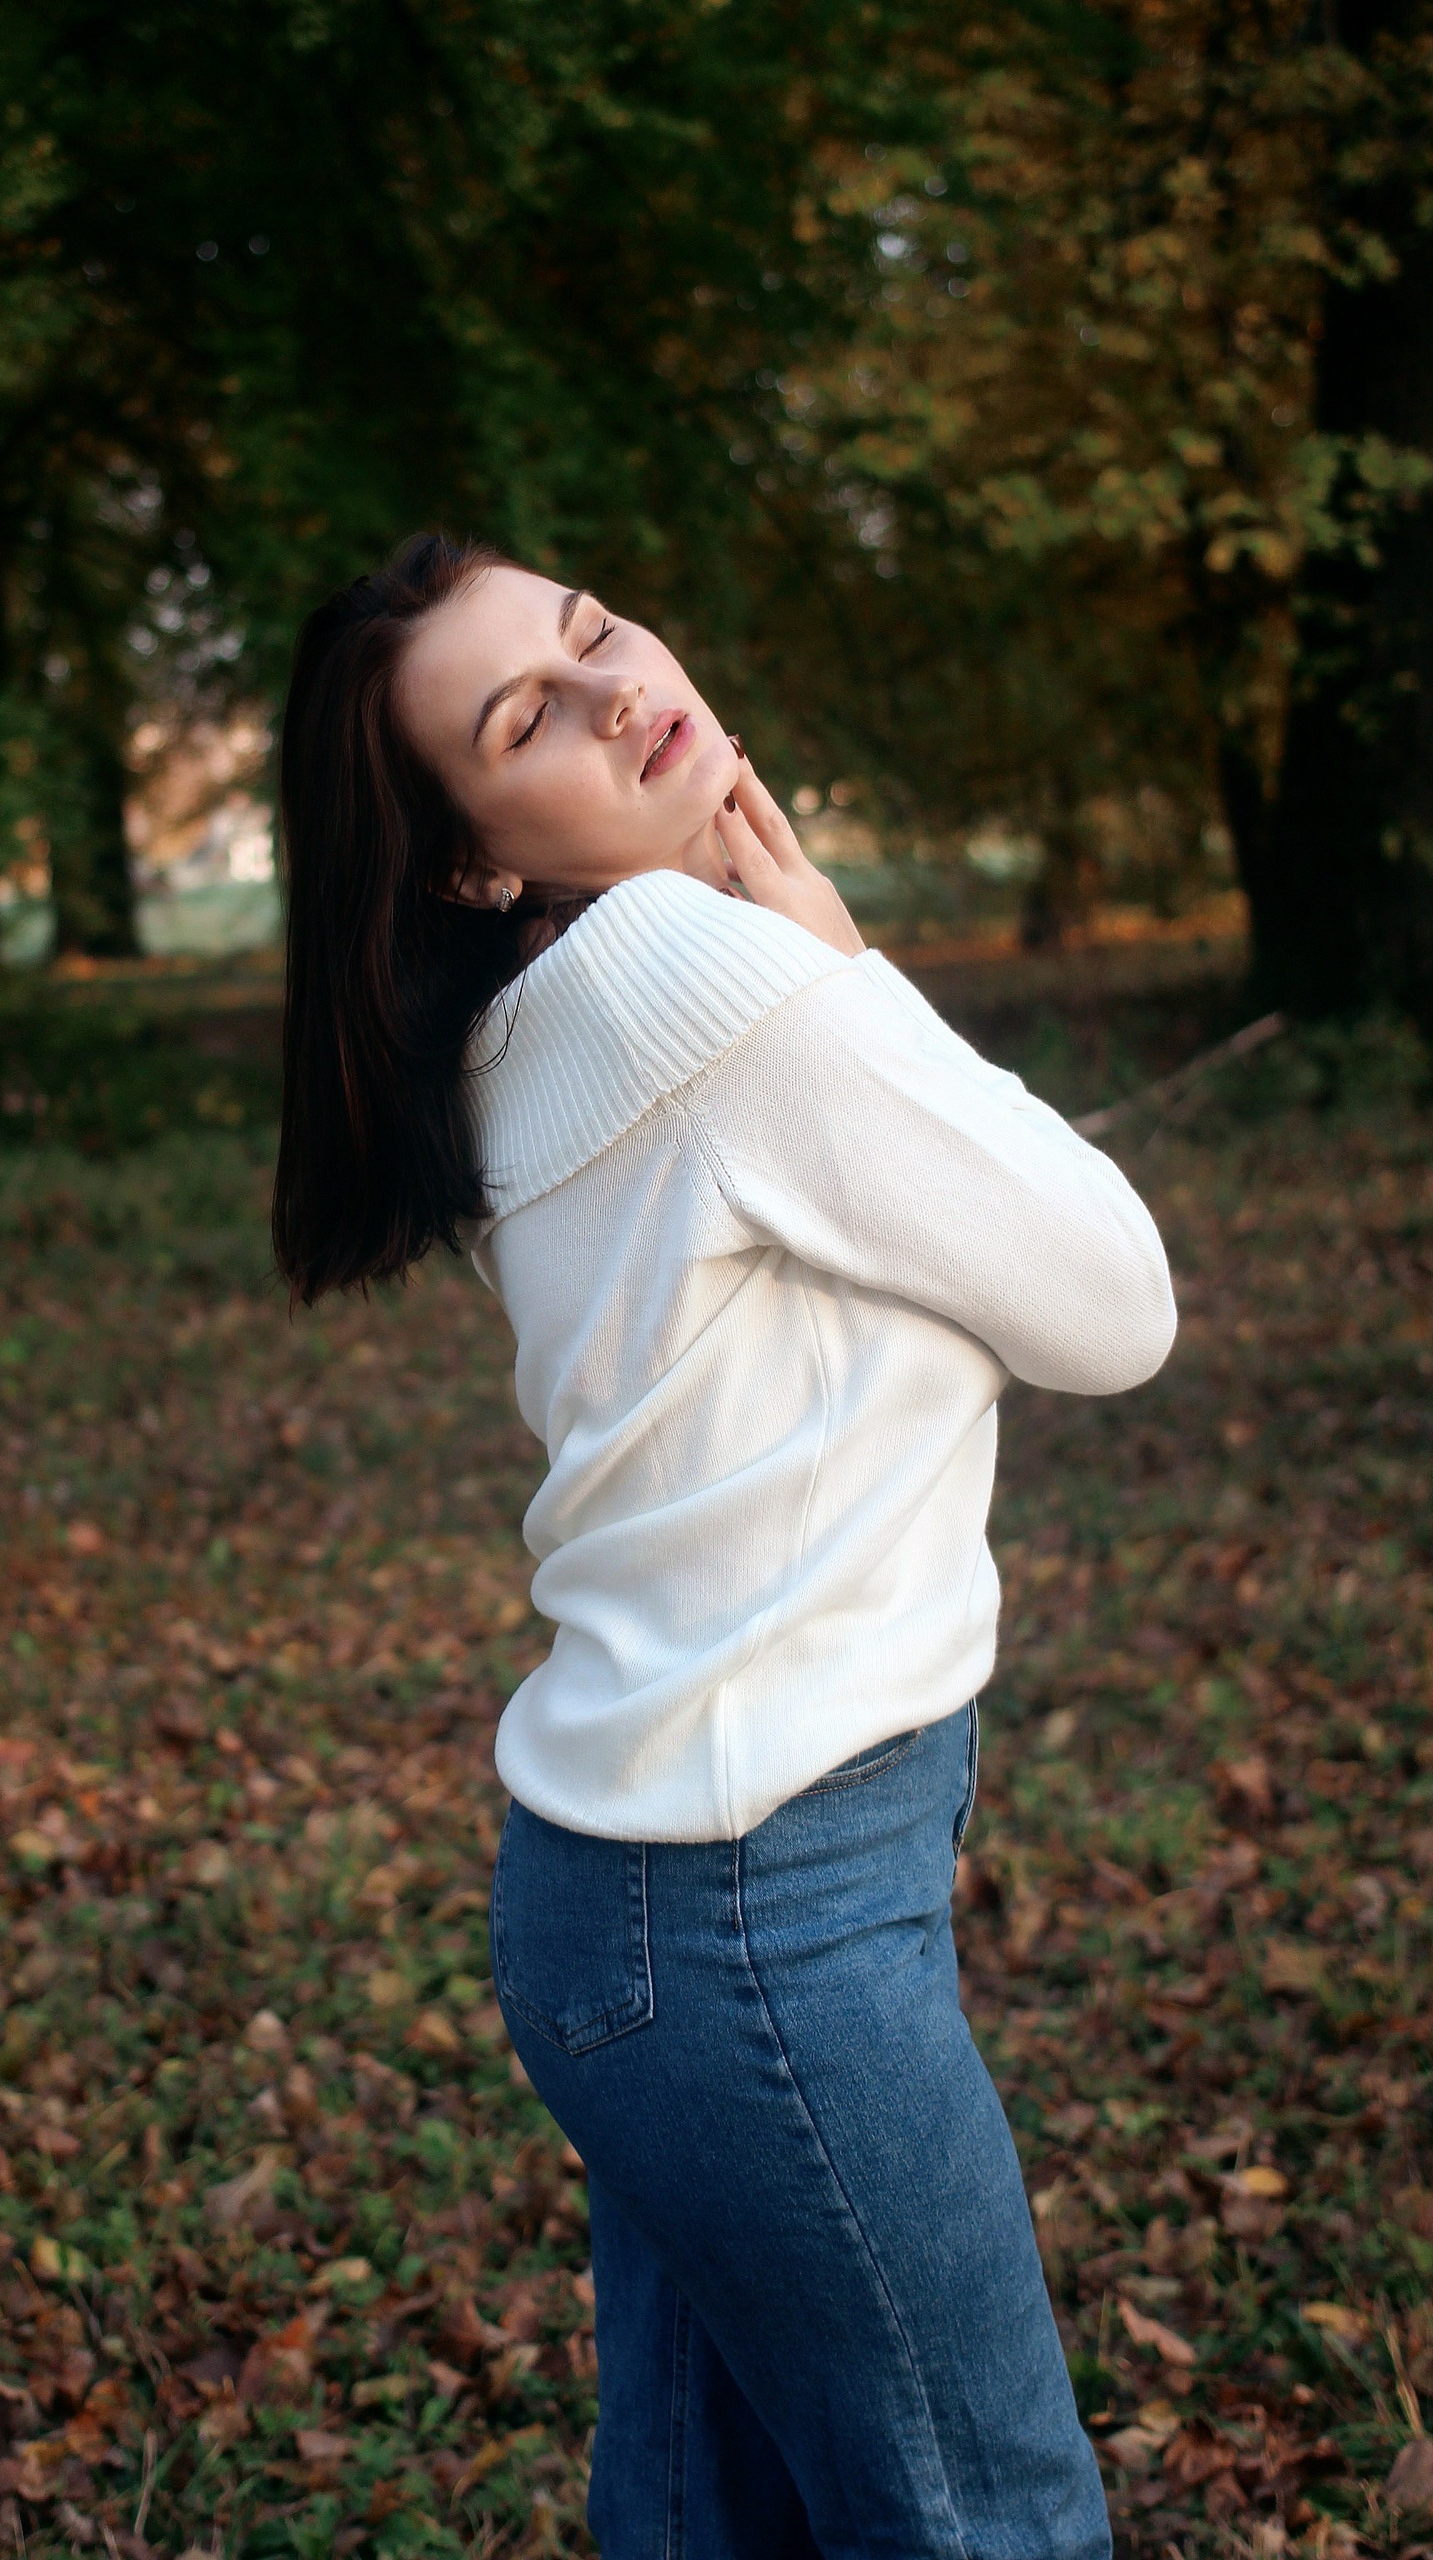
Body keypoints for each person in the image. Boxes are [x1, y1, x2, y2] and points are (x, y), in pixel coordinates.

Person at [272, 533, 1176, 2558]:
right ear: (472, 863)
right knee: (995, 2519)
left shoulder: (534, 1026)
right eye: (530, 717)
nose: (618, 692)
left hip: (640, 1912)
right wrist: (850, 968)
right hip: (766, 1912)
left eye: (594, 630)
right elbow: (1119, 1305)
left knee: (712, 2520)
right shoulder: (706, 976)